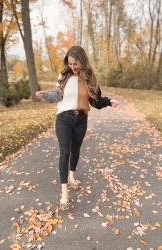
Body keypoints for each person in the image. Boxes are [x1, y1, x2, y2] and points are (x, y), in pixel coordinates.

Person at [35, 45, 119, 210]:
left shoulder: (90, 78)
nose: (72, 67)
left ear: (83, 61)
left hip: (81, 119)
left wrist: (109, 102)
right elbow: (56, 95)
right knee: (65, 153)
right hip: (64, 119)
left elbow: (95, 101)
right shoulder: (64, 76)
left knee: (76, 151)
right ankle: (64, 193)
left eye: (75, 64)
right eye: (70, 63)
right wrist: (45, 95)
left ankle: (72, 177)